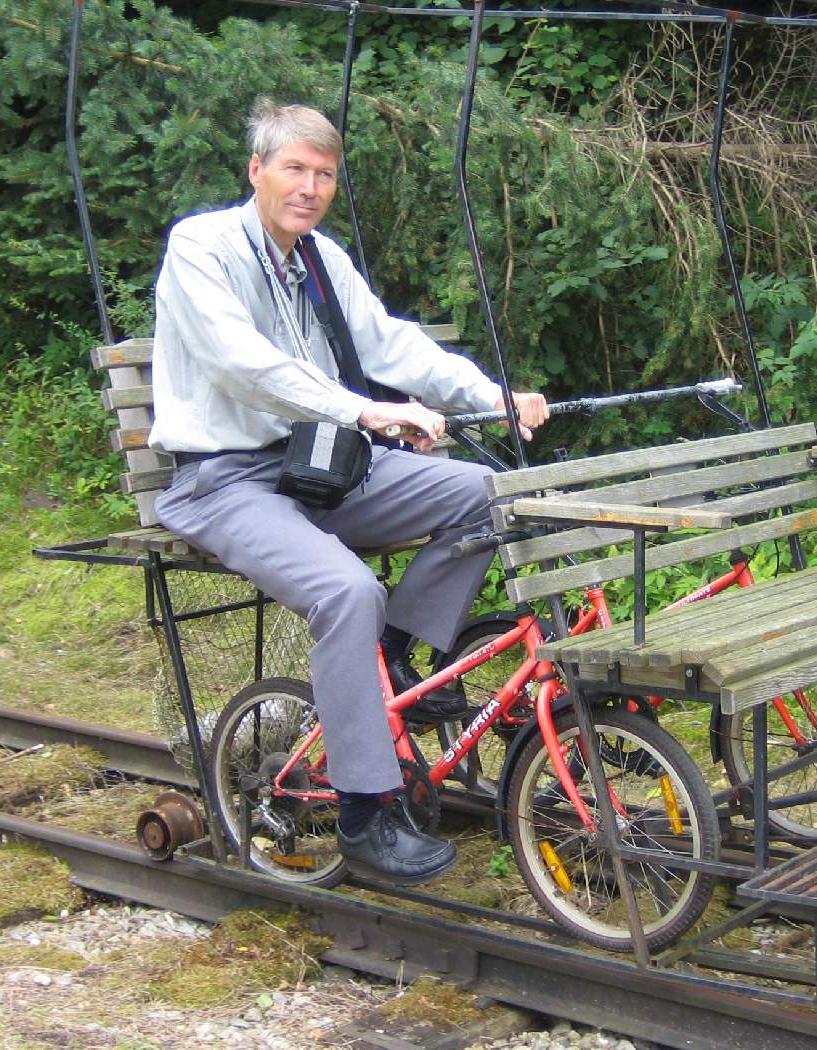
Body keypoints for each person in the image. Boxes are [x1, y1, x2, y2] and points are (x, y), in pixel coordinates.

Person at [148, 99, 548, 886]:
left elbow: (391, 339)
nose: (309, 186)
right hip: (221, 479)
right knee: (345, 589)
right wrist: (364, 408)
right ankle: (367, 813)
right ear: (256, 170)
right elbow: (241, 362)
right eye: (294, 168)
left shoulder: (319, 258)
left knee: (486, 492)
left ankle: (394, 659)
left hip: (319, 467)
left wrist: (488, 395)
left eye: (324, 173)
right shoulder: (201, 246)